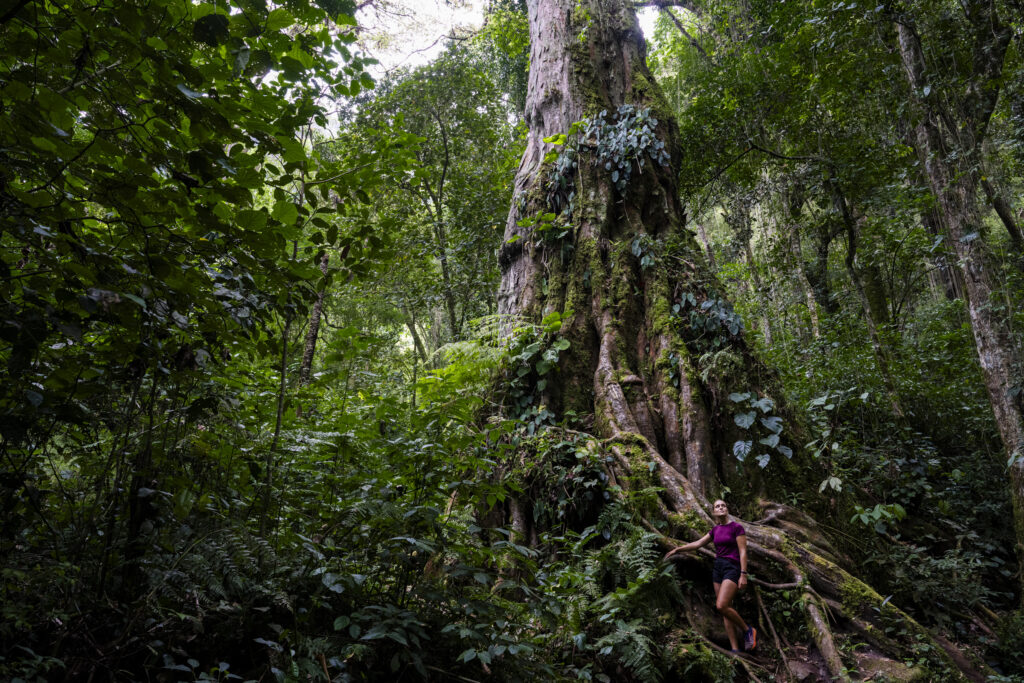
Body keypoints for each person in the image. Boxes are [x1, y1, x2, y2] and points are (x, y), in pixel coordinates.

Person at [664, 499, 757, 653]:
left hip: (732, 568)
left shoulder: (737, 528)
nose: (721, 508)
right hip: (718, 569)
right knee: (725, 610)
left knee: (721, 605)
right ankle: (735, 650)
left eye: (723, 505)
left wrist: (743, 574)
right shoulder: (715, 530)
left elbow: (743, 552)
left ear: (727, 509)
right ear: (714, 512)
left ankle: (748, 630)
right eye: (717, 506)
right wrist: (678, 549)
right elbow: (698, 543)